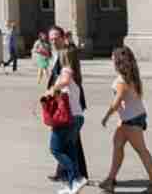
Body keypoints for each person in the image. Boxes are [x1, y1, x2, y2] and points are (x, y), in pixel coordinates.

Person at [98, 46, 152, 192]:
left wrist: (106, 116)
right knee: (118, 145)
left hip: (131, 120)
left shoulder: (121, 81)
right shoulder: (132, 75)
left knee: (141, 150)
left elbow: (116, 102)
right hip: (132, 118)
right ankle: (110, 180)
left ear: (118, 60)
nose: (111, 58)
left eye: (113, 56)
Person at [46, 26, 89, 184]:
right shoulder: (57, 53)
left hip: (70, 102)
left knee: (68, 140)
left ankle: (76, 173)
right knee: (69, 139)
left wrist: (52, 90)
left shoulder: (67, 53)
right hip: (63, 102)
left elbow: (66, 78)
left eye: (56, 37)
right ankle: (67, 172)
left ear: (63, 37)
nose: (53, 41)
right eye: (50, 38)